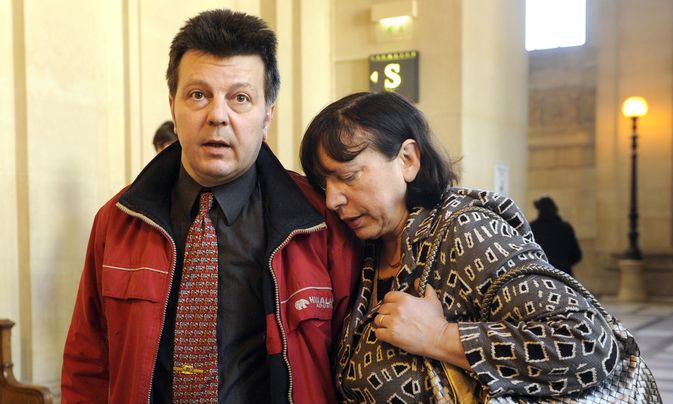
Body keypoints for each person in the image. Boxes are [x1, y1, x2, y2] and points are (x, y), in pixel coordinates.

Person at [62, 9, 360, 403]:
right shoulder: (116, 221)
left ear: (267, 113)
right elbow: (88, 366)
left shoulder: (318, 224)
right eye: (198, 95)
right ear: (173, 106)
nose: (217, 116)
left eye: (240, 98)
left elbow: (352, 371)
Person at [299, 91, 620, 402]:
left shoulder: (465, 231)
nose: (333, 199)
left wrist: (440, 337)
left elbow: (589, 344)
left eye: (349, 176)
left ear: (407, 160)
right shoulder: (368, 249)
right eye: (324, 183)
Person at [530, 195, 582, 276]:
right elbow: (576, 255)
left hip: (542, 275)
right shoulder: (565, 228)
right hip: (564, 275)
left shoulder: (533, 228)